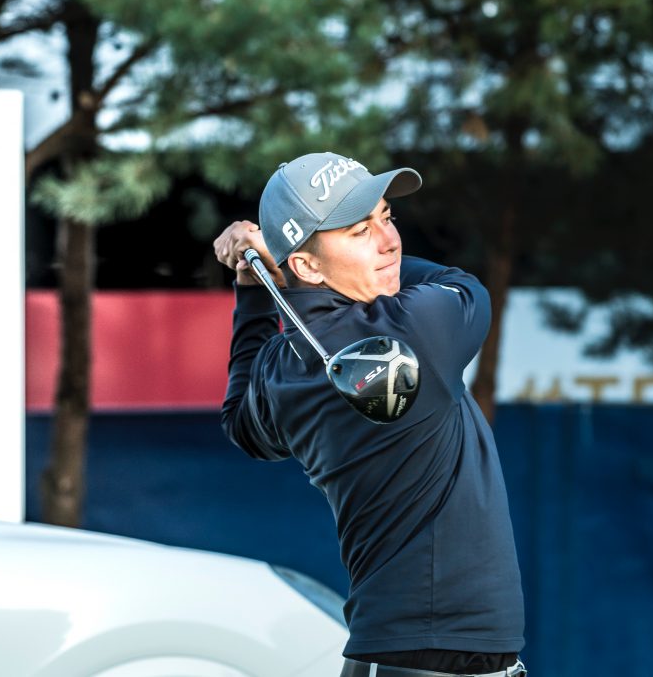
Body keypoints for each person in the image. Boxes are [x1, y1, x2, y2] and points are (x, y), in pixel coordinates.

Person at [213, 152, 526, 677]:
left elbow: (242, 427)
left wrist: (256, 289)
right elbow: (465, 284)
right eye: (360, 231)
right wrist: (275, 276)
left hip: (394, 655)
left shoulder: (282, 371)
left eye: (388, 218)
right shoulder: (419, 325)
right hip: (437, 662)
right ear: (307, 265)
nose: (390, 241)